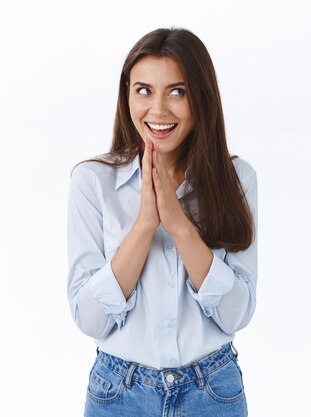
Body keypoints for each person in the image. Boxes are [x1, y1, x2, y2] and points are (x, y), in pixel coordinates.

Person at [66, 27, 257, 417]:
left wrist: (179, 226)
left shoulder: (237, 179)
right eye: (144, 90)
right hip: (119, 392)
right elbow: (90, 319)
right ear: (127, 95)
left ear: (200, 97)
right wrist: (143, 227)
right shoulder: (92, 181)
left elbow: (237, 314)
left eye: (177, 91)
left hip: (213, 390)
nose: (158, 110)